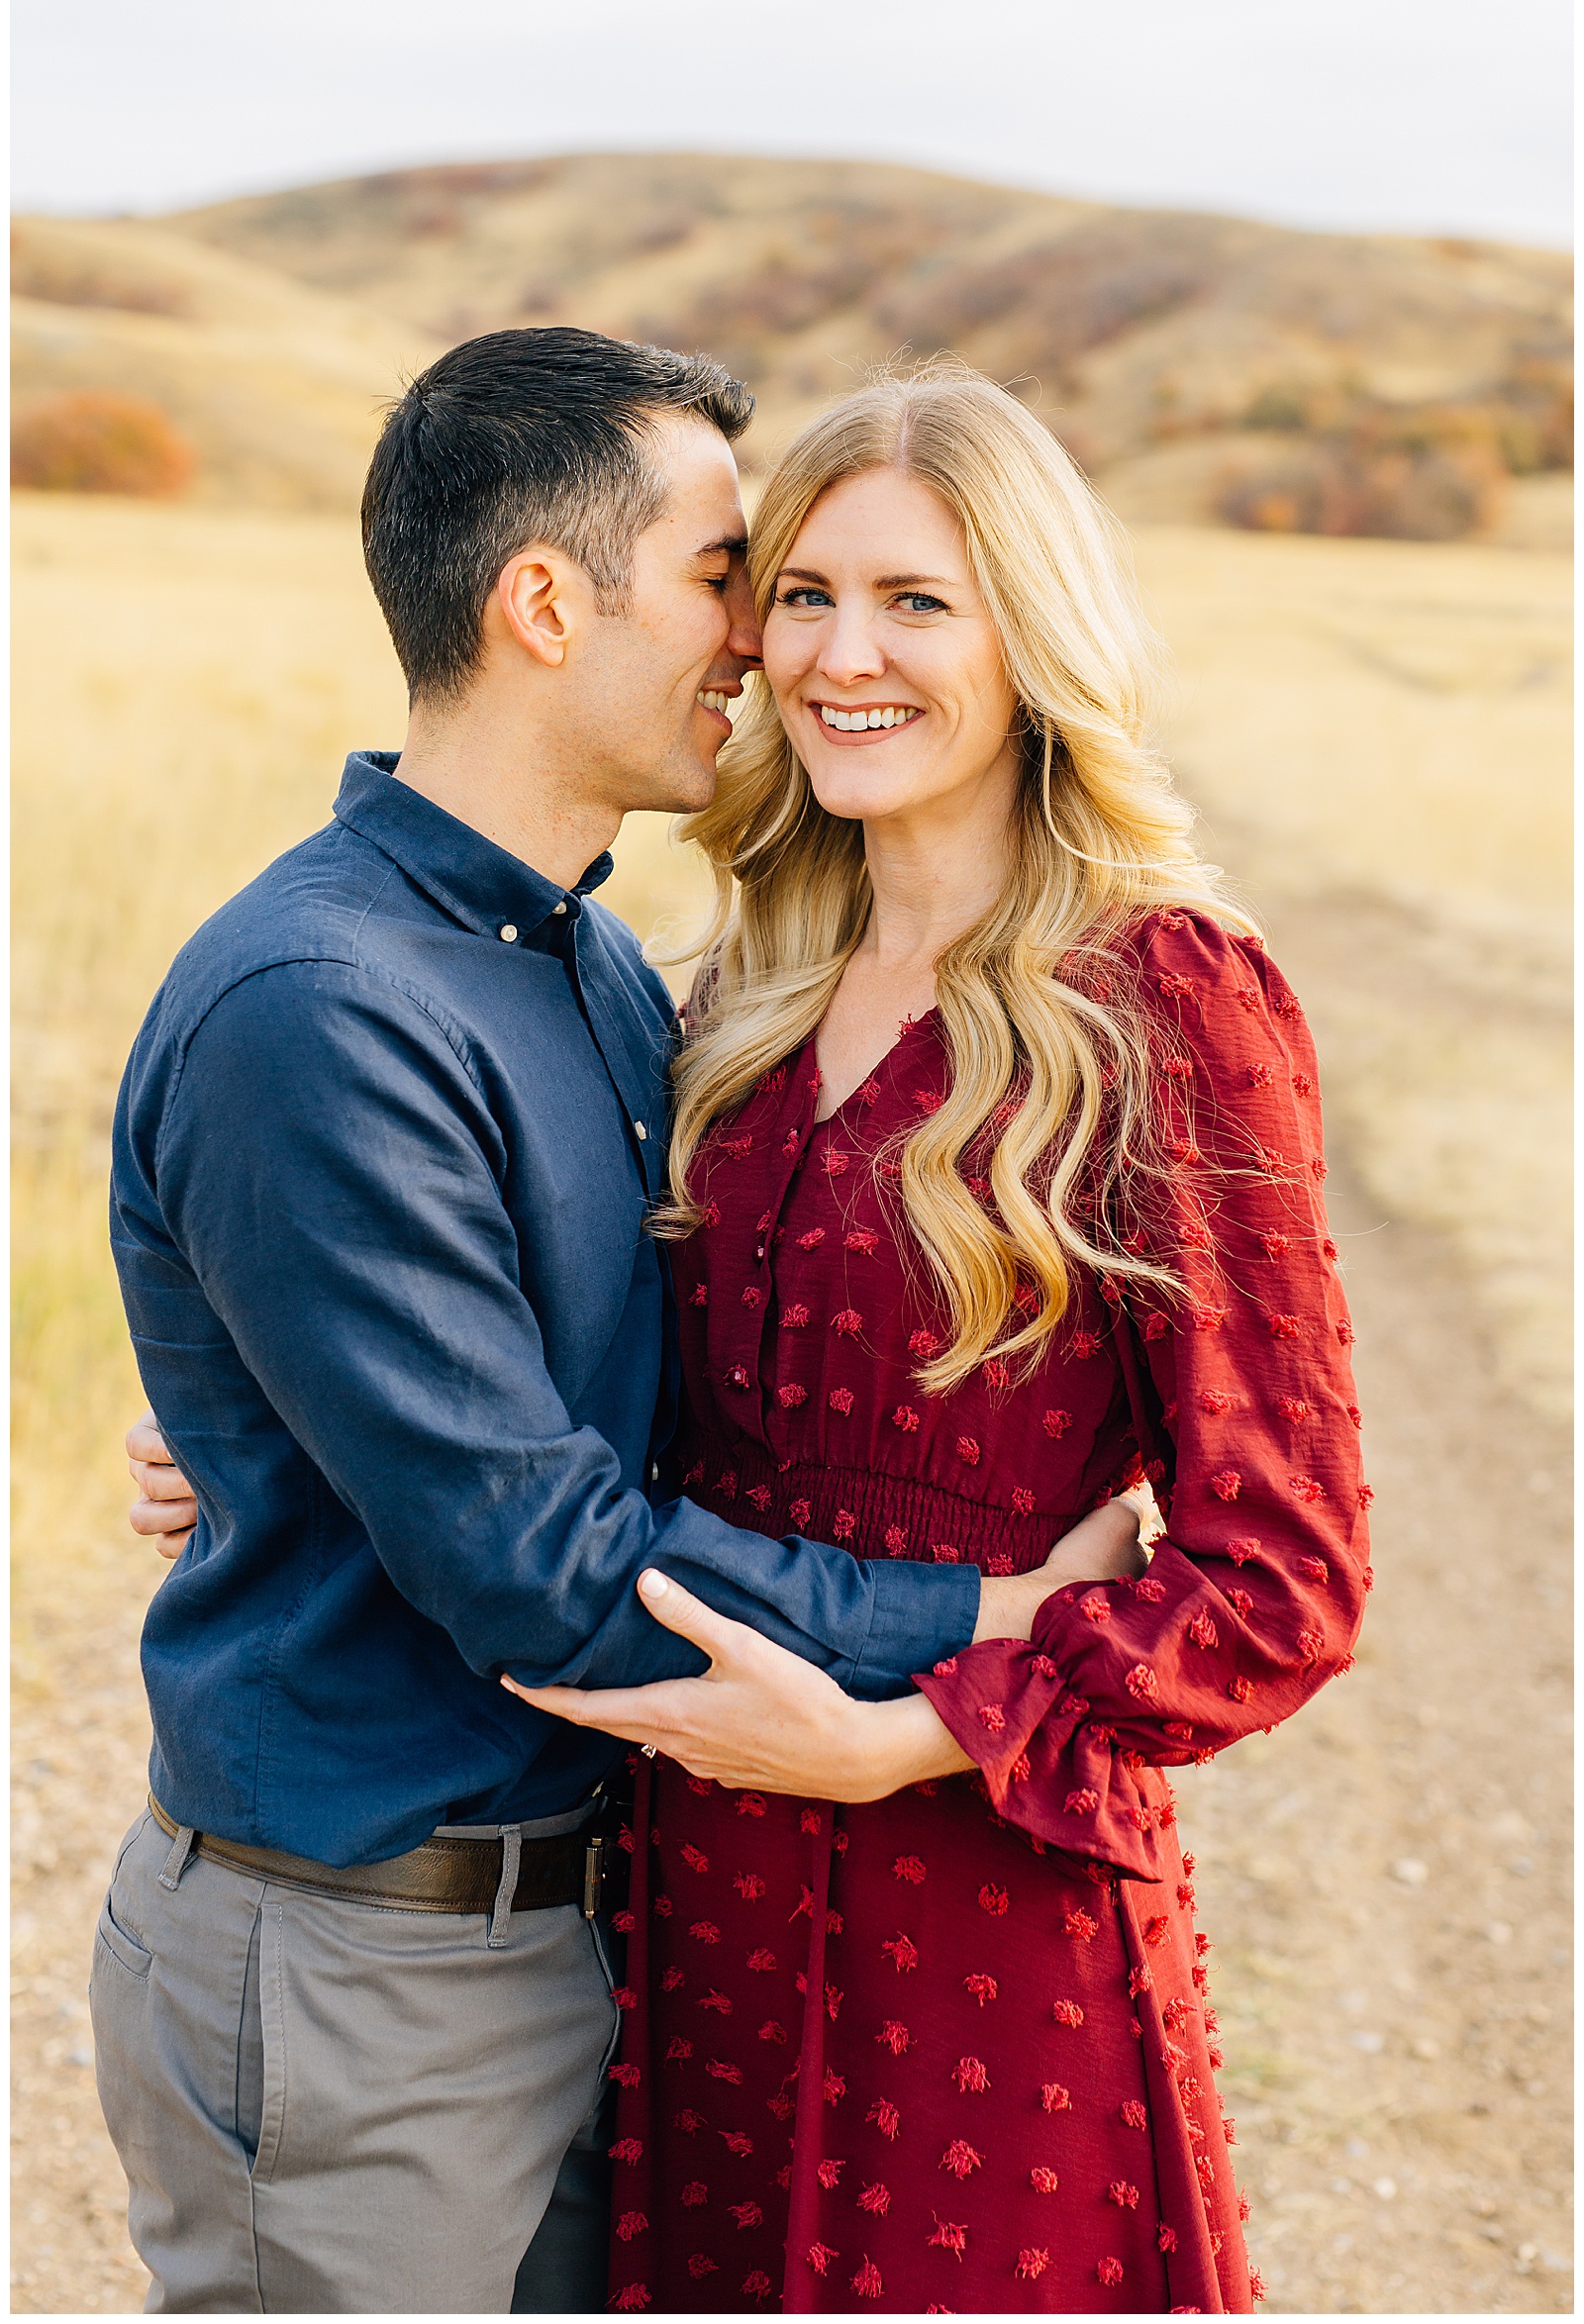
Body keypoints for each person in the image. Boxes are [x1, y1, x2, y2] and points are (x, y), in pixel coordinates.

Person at [103, 331, 1137, 2316]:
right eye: (722, 574)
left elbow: (621, 1384)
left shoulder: (581, 962)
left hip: (588, 1925)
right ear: (545, 601)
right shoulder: (322, 1006)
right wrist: (995, 1620)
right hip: (363, 1970)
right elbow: (547, 1570)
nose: (759, 639)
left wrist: (257, 1441)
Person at [499, 365, 1371, 2313]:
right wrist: (277, 1436)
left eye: (914, 601)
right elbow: (580, 1410)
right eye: (800, 597)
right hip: (698, 1891)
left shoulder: (1169, 1003)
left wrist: (891, 1738)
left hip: (983, 1904)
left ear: (1029, 633)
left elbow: (1280, 1582)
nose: (839, 656)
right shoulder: (720, 1003)